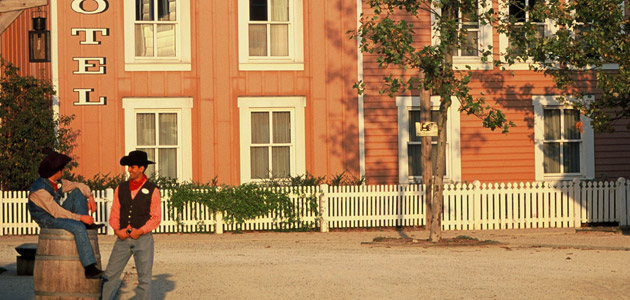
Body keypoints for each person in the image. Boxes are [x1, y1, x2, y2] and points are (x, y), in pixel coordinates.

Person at [28, 149, 105, 279]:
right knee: (78, 226)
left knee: (78, 192)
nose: (64, 172)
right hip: (47, 220)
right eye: (63, 170)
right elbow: (56, 212)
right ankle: (89, 268)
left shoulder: (57, 183)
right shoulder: (39, 190)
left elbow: (78, 185)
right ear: (57, 172)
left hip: (56, 215)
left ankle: (84, 225)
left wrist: (90, 197)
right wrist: (81, 218)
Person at [102, 150, 161, 300]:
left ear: (142, 168)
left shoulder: (153, 190)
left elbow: (156, 217)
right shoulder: (120, 188)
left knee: (144, 279)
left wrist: (140, 231)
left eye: (133, 167)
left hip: (143, 239)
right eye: (129, 167)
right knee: (110, 275)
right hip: (122, 238)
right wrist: (117, 230)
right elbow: (115, 211)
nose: (129, 170)